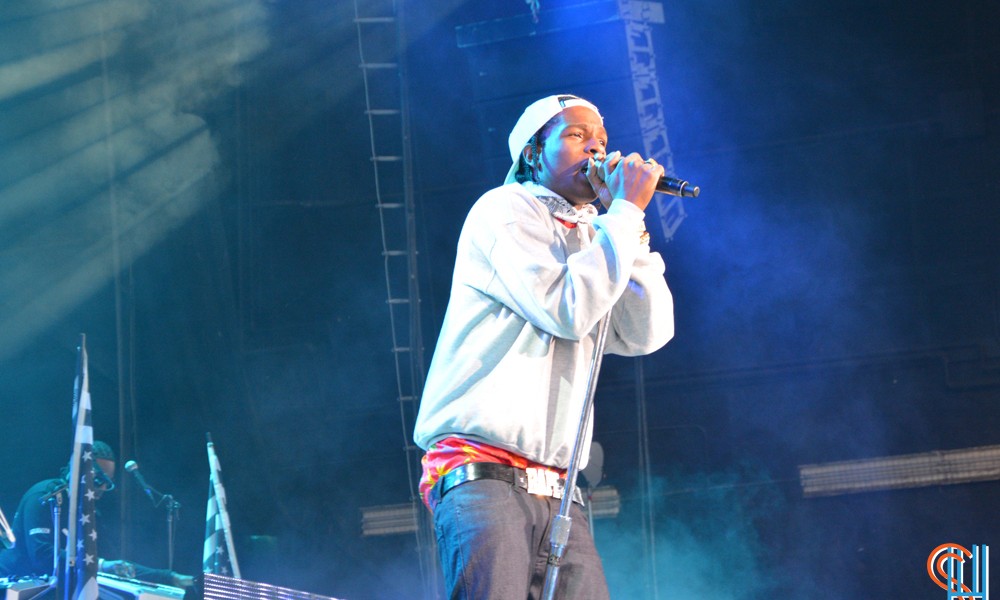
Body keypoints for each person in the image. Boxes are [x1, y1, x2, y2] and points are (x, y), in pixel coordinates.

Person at [413, 94, 675, 599]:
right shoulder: (504, 209)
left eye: (602, 140)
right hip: (484, 473)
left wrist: (632, 229)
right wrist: (621, 215)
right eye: (577, 136)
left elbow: (647, 333)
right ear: (532, 154)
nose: (597, 150)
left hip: (559, 489)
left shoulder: (598, 235)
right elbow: (566, 309)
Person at [0, 441, 194, 589]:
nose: (103, 487)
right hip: (17, 585)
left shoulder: (89, 513)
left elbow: (114, 564)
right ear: (79, 471)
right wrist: (101, 565)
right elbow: (41, 555)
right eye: (99, 480)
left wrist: (168, 577)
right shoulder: (44, 496)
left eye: (108, 482)